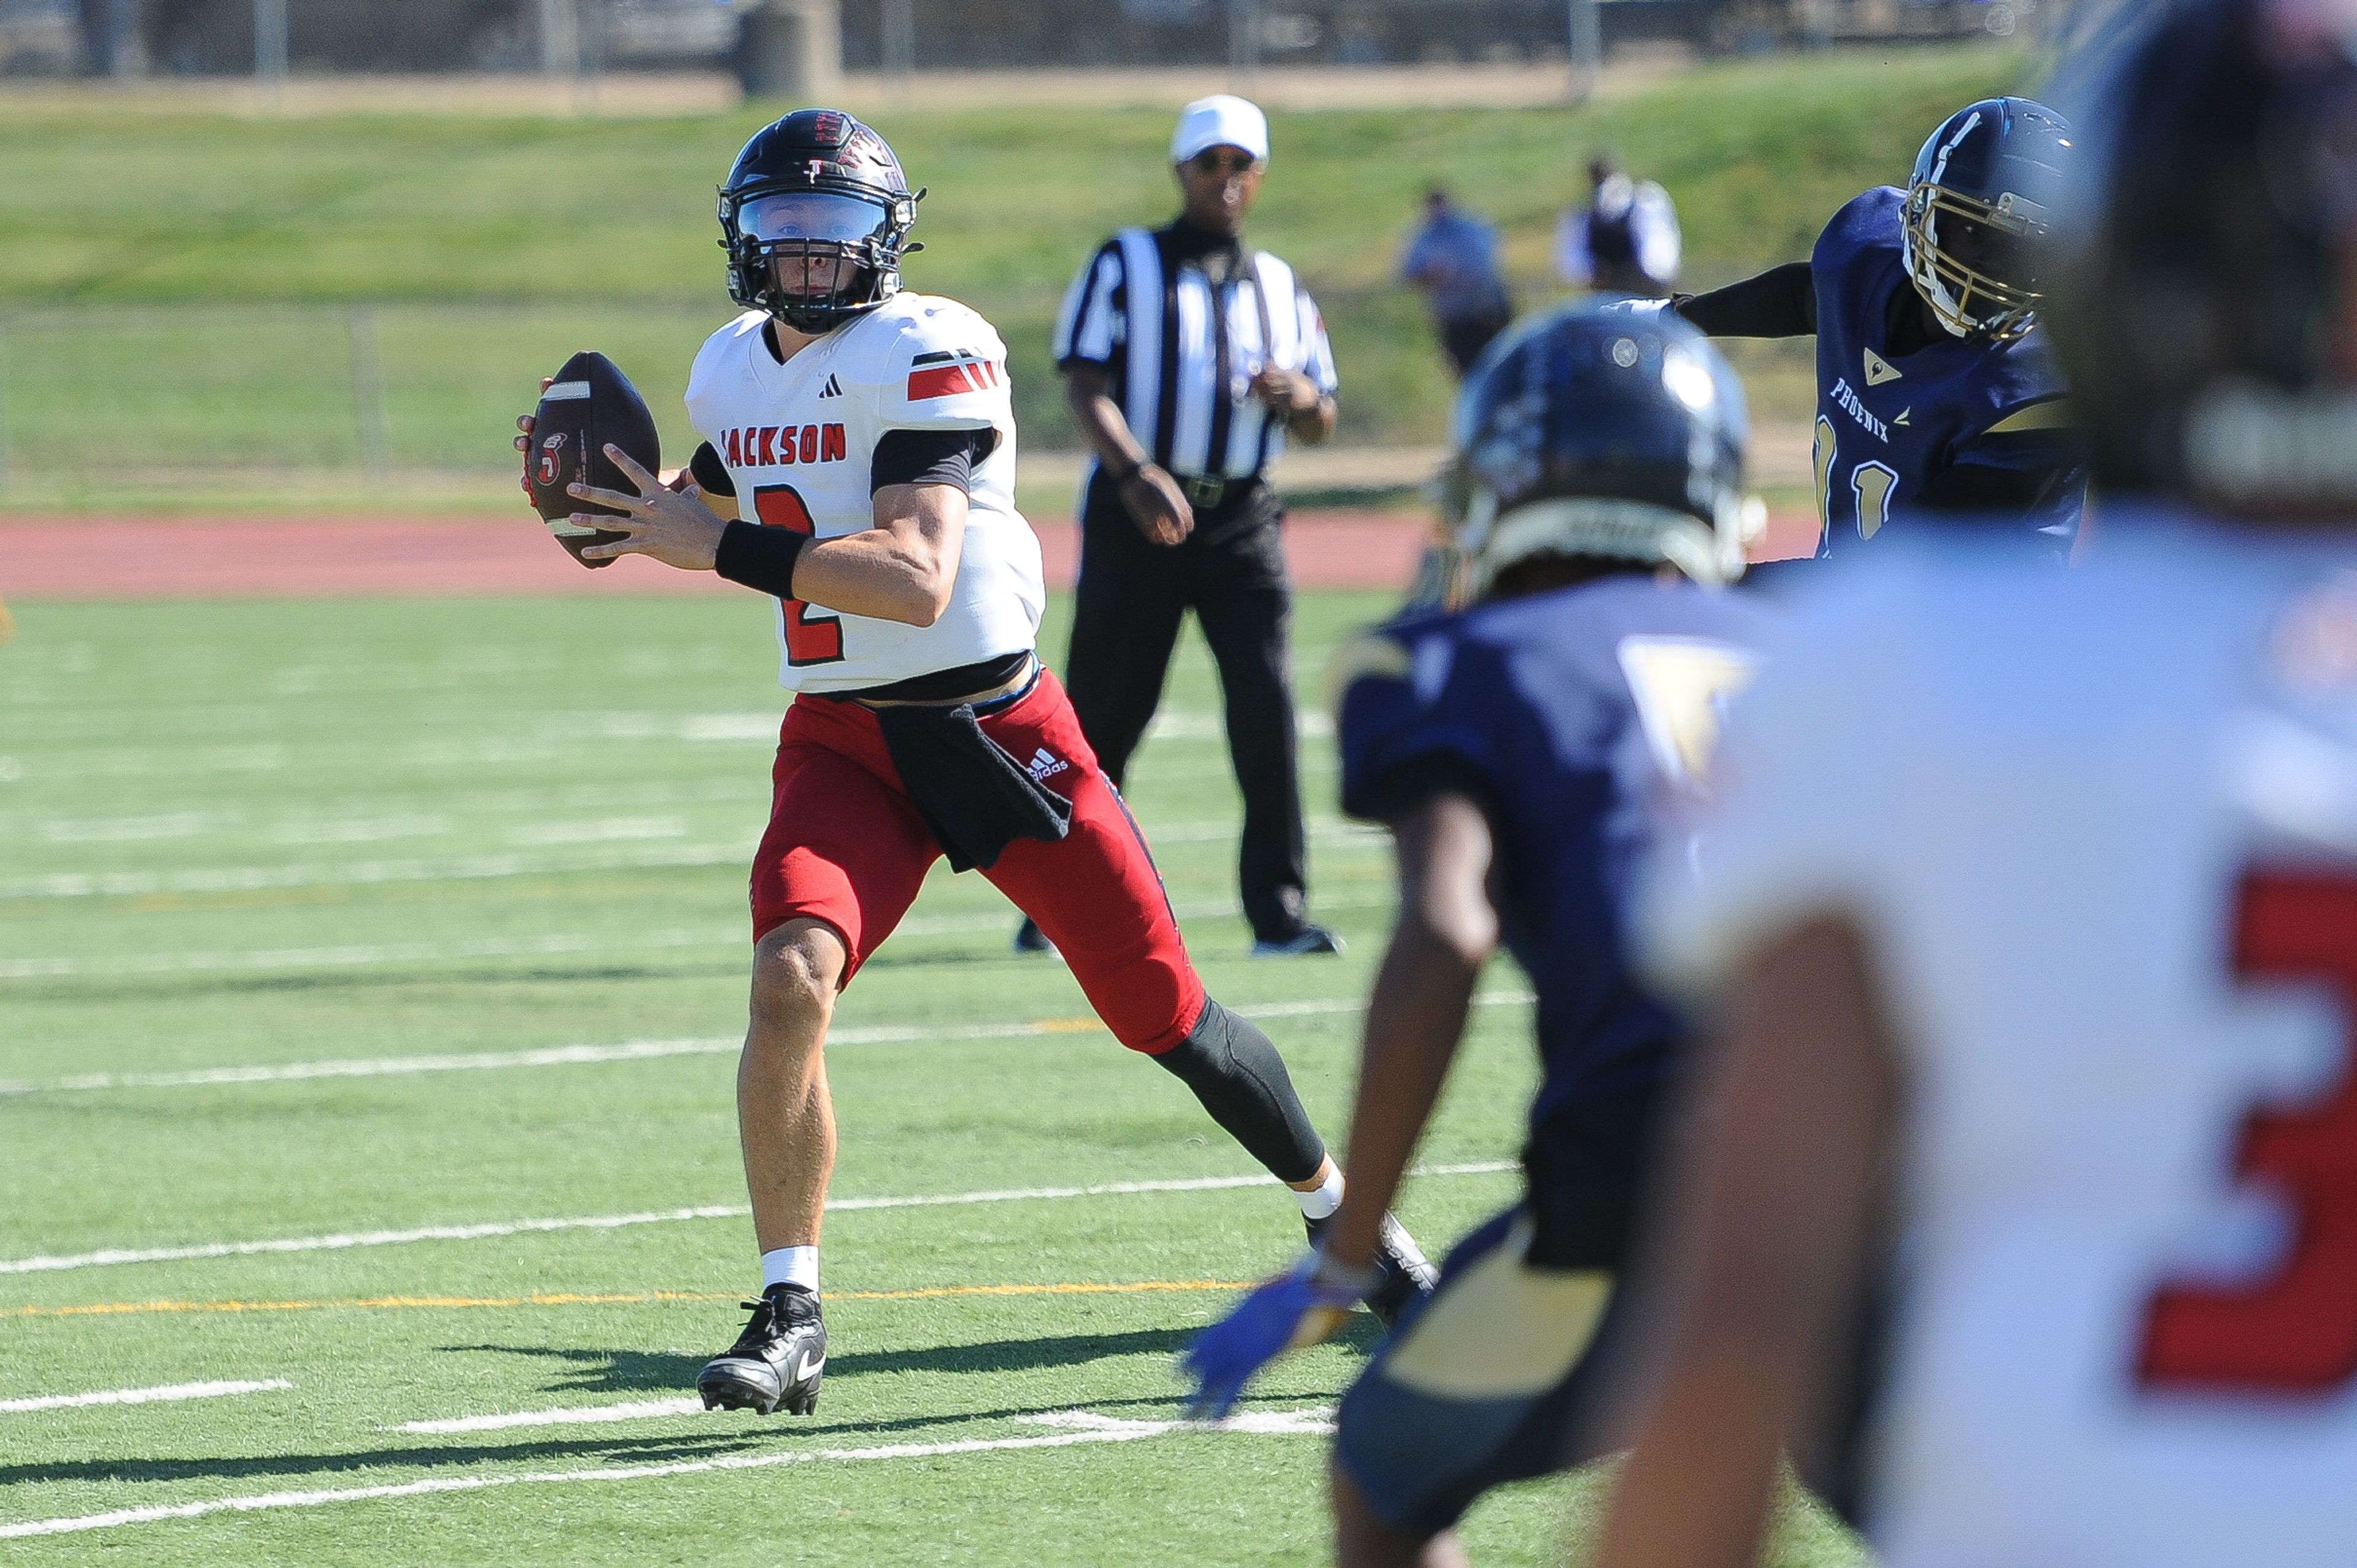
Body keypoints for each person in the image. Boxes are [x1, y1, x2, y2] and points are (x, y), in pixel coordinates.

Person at [516, 109, 1431, 1419]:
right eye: (784, 231)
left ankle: (1350, 1224)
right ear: (742, 238)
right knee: (791, 975)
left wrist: (700, 543)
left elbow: (912, 573)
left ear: (885, 242)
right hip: (844, 735)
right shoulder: (729, 365)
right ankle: (790, 1305)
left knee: (1170, 1018)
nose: (809, 259)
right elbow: (713, 494)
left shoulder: (928, 347)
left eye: (834, 234)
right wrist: (607, 501)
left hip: (998, 731)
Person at [1596, 6, 2357, 1566]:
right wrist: (1661, 321)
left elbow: (1740, 1321)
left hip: (2048, 1502)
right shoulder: (1871, 256)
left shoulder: (1920, 661)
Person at [1184, 304, 1771, 1567]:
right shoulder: (1819, 645)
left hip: (1644, 1181)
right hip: (1909, 1165)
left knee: (1383, 1467)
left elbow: (1445, 932)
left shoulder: (1460, 661)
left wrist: (1346, 1260)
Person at [1021, 93, 1343, 960]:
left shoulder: (1280, 284)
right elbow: (1085, 378)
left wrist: (1304, 399)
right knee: (1104, 713)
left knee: (1265, 710)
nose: (1226, 181)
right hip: (1139, 514)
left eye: (1242, 165)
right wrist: (1133, 473)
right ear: (1182, 170)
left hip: (1243, 514)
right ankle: (1054, 899)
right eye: (1211, 164)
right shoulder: (1125, 263)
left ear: (1260, 176)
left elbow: (1323, 413)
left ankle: (1279, 912)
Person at [1657, 98, 2086, 560]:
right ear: (1924, 211)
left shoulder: (2039, 384)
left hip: (1975, 625)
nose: (1990, 263)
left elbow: (1907, 562)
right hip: (1855, 605)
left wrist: (1727, 584)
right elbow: (1808, 297)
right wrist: (1673, 317)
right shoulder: (1862, 259)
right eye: (1972, 230)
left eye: (2018, 245)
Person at [1398, 187, 1514, 377]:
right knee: (1466, 372)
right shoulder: (1424, 237)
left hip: (1486, 311)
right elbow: (1409, 273)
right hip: (1454, 318)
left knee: (1500, 364)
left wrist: (1455, 273)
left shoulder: (1470, 229)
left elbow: (1483, 265)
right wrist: (1430, 275)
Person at [1557, 156, 1682, 298]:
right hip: (1607, 293)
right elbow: (1574, 265)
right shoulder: (1583, 215)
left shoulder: (1644, 203)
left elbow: (1658, 257)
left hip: (1645, 289)